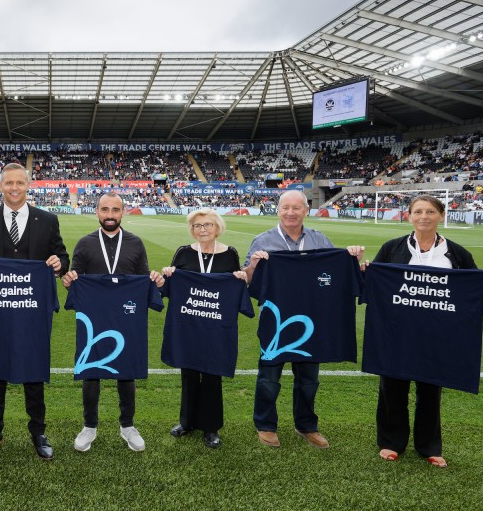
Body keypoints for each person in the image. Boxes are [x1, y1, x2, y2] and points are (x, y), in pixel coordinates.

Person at [368, 194, 483, 468]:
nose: (424, 217)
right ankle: (391, 442)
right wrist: (364, 269)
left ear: (441, 216)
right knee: (392, 389)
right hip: (397, 333)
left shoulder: (457, 253)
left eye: (430, 212)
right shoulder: (392, 248)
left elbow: (473, 290)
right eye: (418, 211)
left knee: (431, 391)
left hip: (437, 336)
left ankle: (429, 446)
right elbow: (375, 285)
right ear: (409, 216)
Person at [0, 162, 69, 460]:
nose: (13, 188)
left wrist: (59, 264)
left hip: (31, 311)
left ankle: (38, 431)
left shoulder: (47, 220)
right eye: (8, 183)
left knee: (33, 369)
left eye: (19, 183)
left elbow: (61, 256)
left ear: (27, 185)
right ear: (0, 186)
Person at [243, 190, 364, 449]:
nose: (290, 212)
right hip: (275, 321)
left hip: (311, 321)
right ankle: (265, 425)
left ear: (306, 211)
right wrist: (253, 264)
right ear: (278, 210)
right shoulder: (262, 240)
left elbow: (337, 274)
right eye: (285, 207)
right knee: (268, 378)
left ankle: (307, 425)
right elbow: (249, 281)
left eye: (296, 208)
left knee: (309, 380)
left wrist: (352, 259)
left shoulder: (320, 239)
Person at [62, 193, 164, 453]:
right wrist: (69, 280)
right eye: (105, 209)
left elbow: (143, 277)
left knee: (126, 369)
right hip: (94, 315)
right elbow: (74, 279)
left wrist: (154, 279)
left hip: (126, 316)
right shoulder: (85, 243)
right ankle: (89, 426)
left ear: (123, 212)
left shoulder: (135, 242)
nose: (110, 215)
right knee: (90, 369)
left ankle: (127, 425)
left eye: (115, 210)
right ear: (97, 211)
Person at [161, 208, 249, 449]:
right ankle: (187, 422)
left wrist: (239, 277)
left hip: (216, 327)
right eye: (197, 226)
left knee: (212, 374)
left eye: (208, 225)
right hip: (189, 326)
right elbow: (172, 282)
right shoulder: (183, 252)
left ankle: (211, 427)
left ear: (217, 227)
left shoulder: (230, 254)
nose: (202, 230)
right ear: (192, 230)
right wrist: (169, 273)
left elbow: (235, 284)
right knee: (189, 373)